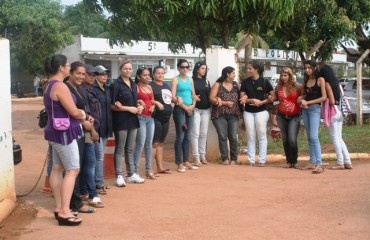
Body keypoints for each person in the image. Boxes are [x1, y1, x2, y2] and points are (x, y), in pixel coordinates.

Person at [43, 54, 86, 226]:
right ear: (61, 67)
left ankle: (59, 207)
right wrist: (82, 114)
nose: (69, 68)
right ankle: (65, 211)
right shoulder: (60, 86)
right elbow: (74, 112)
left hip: (55, 132)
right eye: (68, 65)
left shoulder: (48, 85)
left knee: (57, 168)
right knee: (72, 170)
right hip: (65, 133)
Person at [65, 61, 101, 211]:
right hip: (73, 132)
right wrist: (84, 121)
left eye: (83, 73)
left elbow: (82, 109)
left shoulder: (79, 88)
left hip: (83, 130)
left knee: (87, 163)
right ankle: (75, 201)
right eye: (78, 73)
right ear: (70, 72)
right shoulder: (65, 88)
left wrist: (88, 118)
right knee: (74, 167)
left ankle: (89, 194)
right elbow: (71, 111)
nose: (81, 76)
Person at [111, 60, 145, 186]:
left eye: (130, 69)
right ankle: (119, 175)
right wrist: (128, 108)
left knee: (130, 148)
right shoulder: (116, 84)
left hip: (133, 119)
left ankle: (131, 174)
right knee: (120, 148)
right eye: (125, 68)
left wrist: (138, 105)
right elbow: (112, 106)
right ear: (121, 69)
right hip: (121, 120)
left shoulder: (133, 84)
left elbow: (133, 101)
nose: (128, 71)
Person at [78, 64, 106, 207]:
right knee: (89, 163)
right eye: (89, 74)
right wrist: (94, 131)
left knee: (87, 163)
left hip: (93, 129)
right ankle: (92, 194)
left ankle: (84, 191)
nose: (91, 77)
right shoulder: (81, 91)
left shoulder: (91, 89)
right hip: (87, 131)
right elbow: (85, 114)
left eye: (94, 75)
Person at [240, 60, 275, 167]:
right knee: (250, 135)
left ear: (257, 69)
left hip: (262, 111)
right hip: (248, 112)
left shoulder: (265, 82)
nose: (248, 70)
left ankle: (262, 160)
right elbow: (242, 98)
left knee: (262, 135)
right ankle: (251, 160)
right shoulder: (245, 82)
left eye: (250, 68)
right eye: (248, 68)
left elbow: (273, 97)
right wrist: (252, 100)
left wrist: (262, 102)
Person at [319, 64, 352, 170]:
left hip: (332, 112)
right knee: (339, 137)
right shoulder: (337, 83)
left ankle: (340, 162)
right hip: (341, 112)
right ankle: (347, 161)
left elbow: (332, 101)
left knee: (335, 138)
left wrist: (325, 99)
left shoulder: (327, 84)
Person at [297, 60, 327, 174]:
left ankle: (319, 163)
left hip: (314, 109)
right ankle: (312, 161)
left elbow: (323, 97)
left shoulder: (320, 80)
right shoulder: (306, 80)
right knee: (309, 136)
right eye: (305, 68)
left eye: (309, 68)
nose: (307, 70)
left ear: (314, 68)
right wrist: (301, 99)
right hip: (305, 110)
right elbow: (303, 94)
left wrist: (308, 103)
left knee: (314, 137)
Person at [171, 59, 199, 172]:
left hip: (190, 110)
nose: (185, 69)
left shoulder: (190, 79)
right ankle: (179, 163)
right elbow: (173, 97)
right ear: (178, 68)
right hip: (180, 110)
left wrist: (193, 106)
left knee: (188, 136)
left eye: (187, 67)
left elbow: (194, 95)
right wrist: (185, 107)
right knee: (180, 136)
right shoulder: (175, 80)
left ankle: (186, 161)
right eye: (182, 67)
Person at [209, 66, 241, 165]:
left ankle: (234, 159)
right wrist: (224, 103)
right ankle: (225, 159)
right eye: (233, 73)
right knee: (222, 136)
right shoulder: (218, 85)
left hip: (234, 114)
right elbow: (211, 98)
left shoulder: (236, 85)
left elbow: (242, 96)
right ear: (227, 74)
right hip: (219, 115)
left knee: (233, 137)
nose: (234, 75)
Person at [273, 67, 302, 168]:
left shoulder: (297, 86)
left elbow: (304, 94)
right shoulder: (278, 87)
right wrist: (274, 115)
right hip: (281, 116)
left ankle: (295, 160)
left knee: (292, 139)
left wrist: (301, 98)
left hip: (294, 116)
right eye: (282, 76)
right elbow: (275, 100)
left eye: (285, 75)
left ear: (290, 76)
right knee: (285, 139)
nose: (283, 77)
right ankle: (289, 161)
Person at [92, 65, 113, 194]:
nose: (104, 76)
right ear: (96, 76)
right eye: (101, 74)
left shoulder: (107, 89)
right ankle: (98, 183)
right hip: (96, 127)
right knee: (98, 156)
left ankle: (98, 181)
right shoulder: (92, 89)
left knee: (99, 155)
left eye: (106, 74)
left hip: (106, 126)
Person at [133, 67, 157, 180]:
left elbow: (152, 100)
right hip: (140, 118)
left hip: (150, 118)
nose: (147, 77)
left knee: (149, 145)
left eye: (148, 75)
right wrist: (138, 101)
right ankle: (135, 171)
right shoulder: (136, 87)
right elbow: (133, 100)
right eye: (144, 75)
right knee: (140, 144)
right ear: (138, 76)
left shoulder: (149, 87)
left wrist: (153, 106)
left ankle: (148, 170)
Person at [149, 66, 173, 174]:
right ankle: (149, 168)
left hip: (166, 118)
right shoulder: (150, 86)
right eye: (158, 73)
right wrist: (156, 103)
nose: (160, 75)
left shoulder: (166, 85)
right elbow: (148, 99)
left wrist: (175, 102)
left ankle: (160, 167)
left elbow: (170, 99)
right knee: (154, 143)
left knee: (161, 143)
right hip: (156, 117)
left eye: (162, 73)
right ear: (154, 74)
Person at [191, 61, 211, 166]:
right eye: (202, 68)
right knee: (196, 133)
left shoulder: (206, 81)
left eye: (205, 68)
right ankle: (196, 157)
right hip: (196, 110)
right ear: (197, 69)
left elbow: (210, 95)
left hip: (206, 110)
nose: (204, 70)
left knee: (203, 133)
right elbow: (191, 94)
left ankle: (203, 155)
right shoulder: (192, 80)